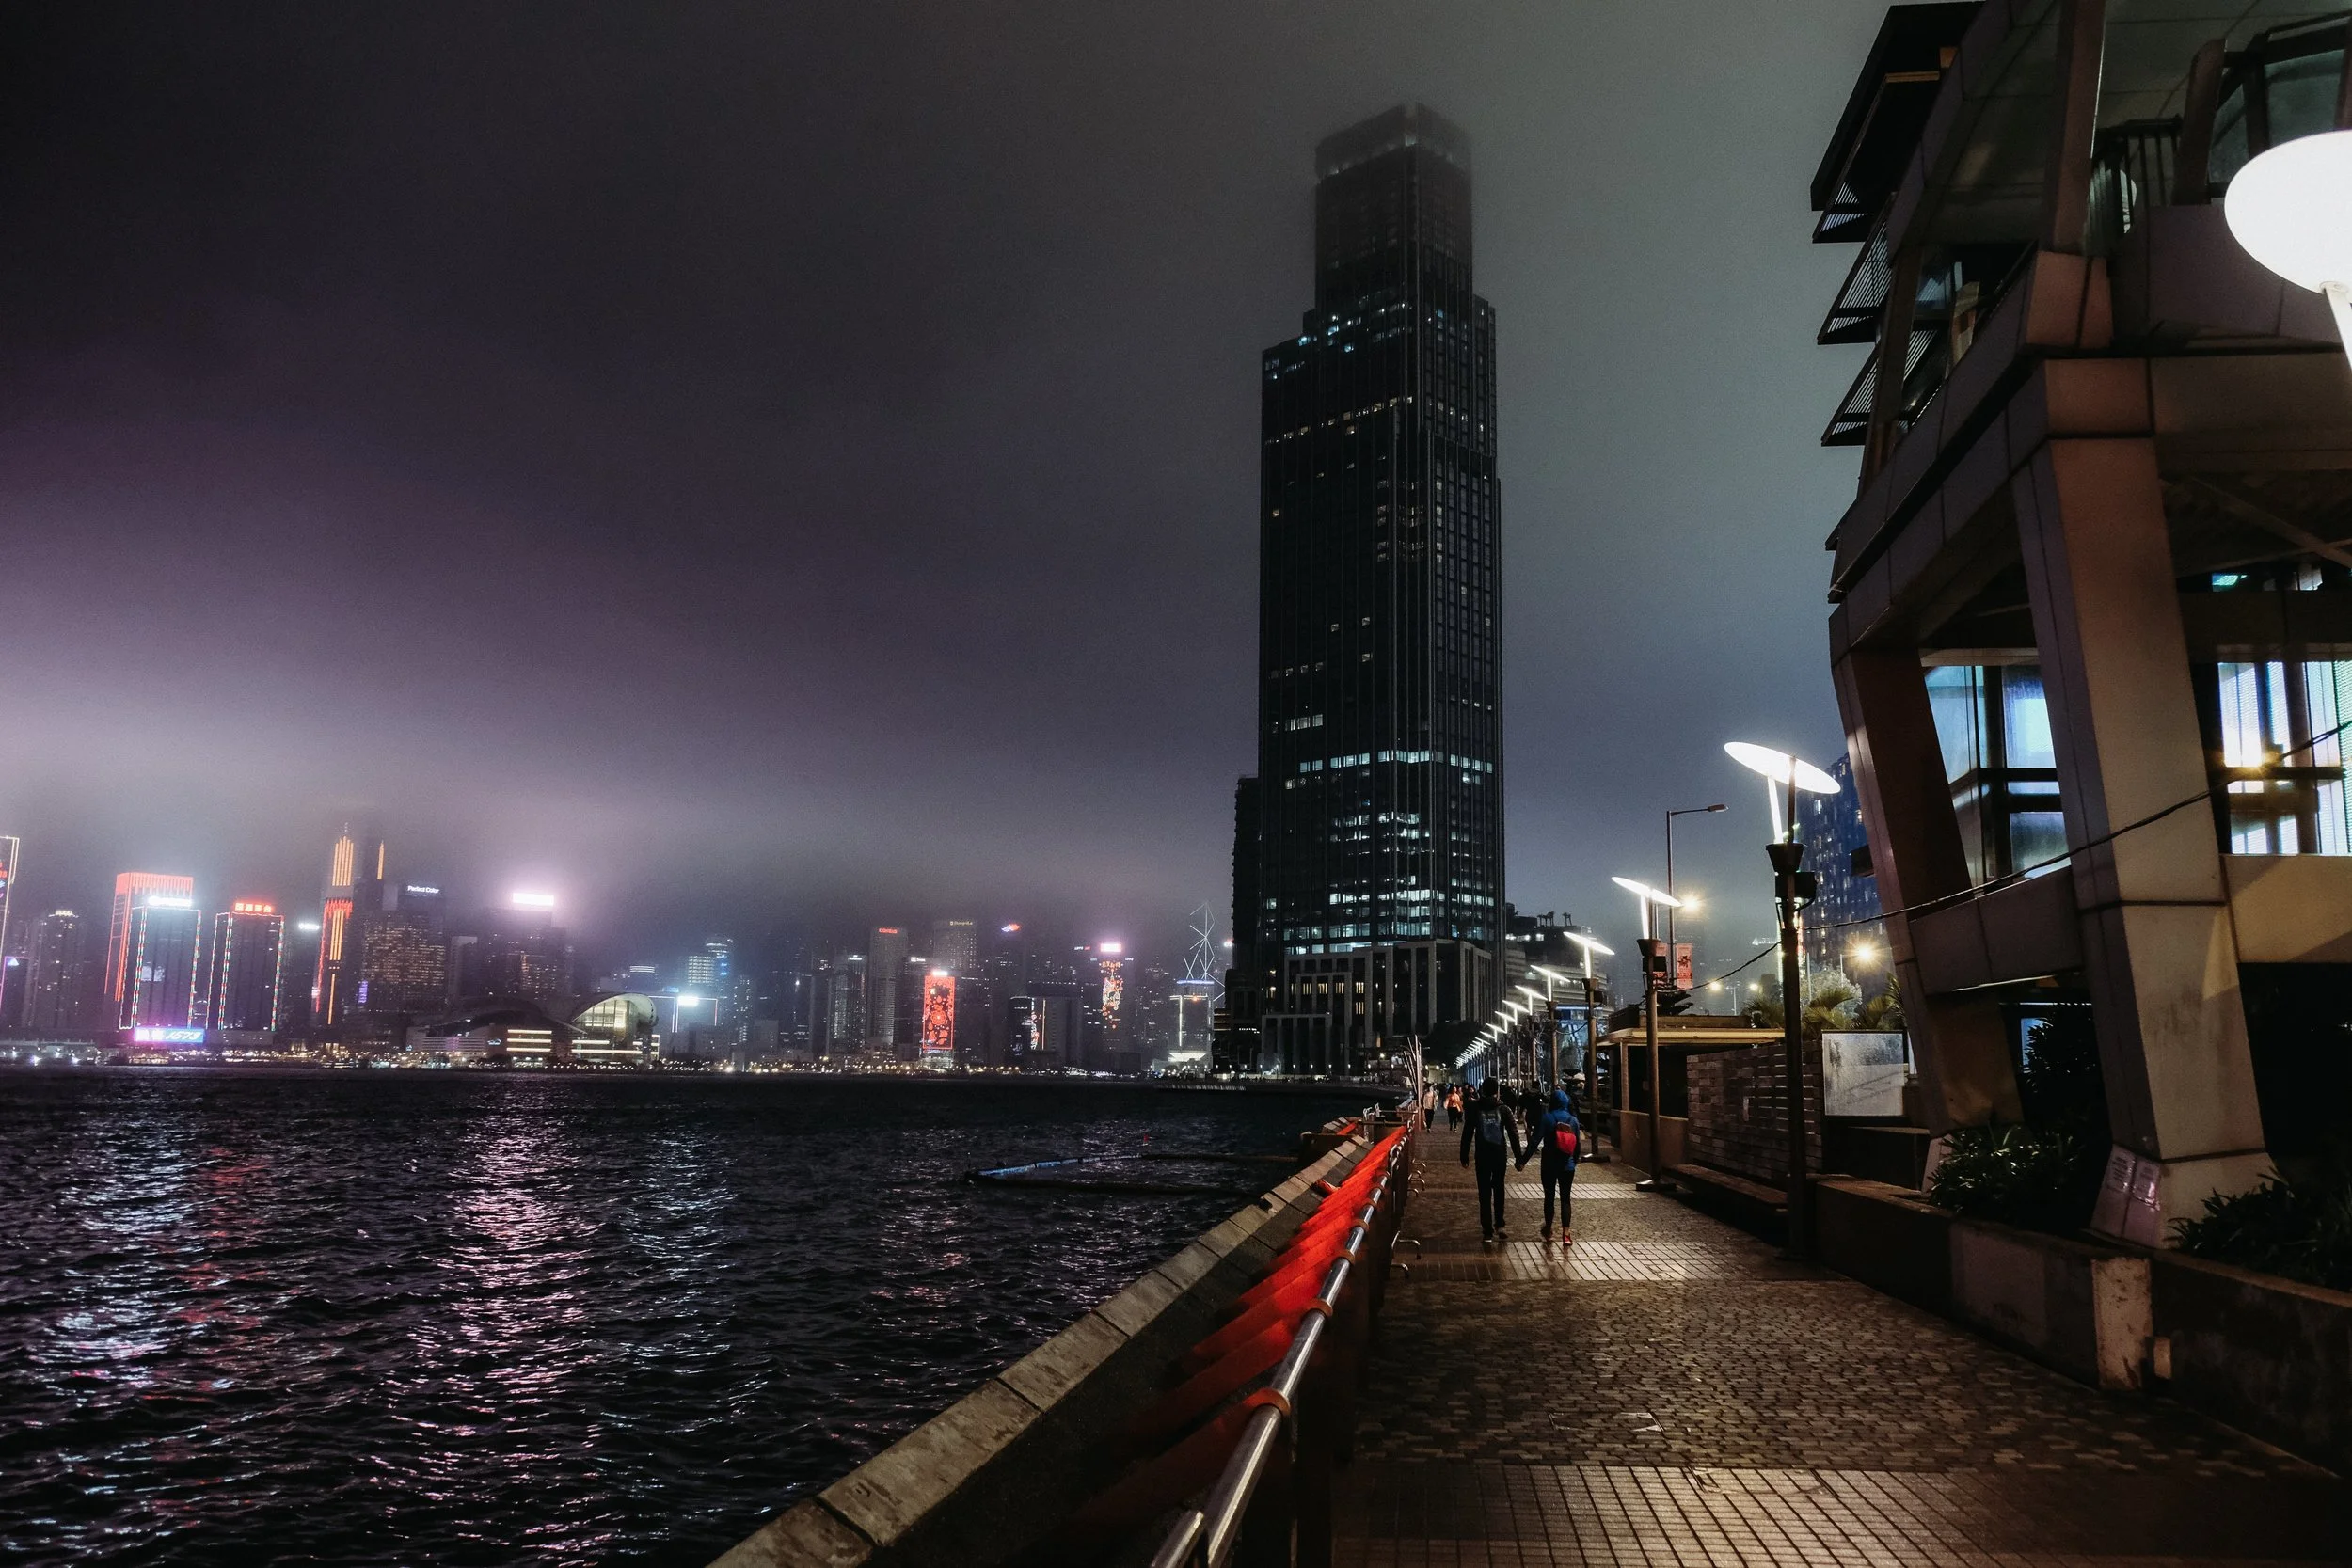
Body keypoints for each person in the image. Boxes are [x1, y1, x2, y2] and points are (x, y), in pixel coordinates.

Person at [1518, 1087, 1584, 1244]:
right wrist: (1574, 1161)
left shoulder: (1547, 1118)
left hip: (1549, 1164)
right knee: (1565, 1199)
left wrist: (1522, 1161)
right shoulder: (1573, 1120)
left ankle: (1548, 1230)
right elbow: (1577, 1146)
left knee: (1549, 1197)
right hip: (1567, 1166)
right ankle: (1567, 1234)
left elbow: (1534, 1142)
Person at [1459, 1080, 1523, 1242]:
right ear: (1497, 1092)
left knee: (1484, 1192)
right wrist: (1519, 1158)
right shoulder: (1504, 1109)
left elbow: (1467, 1132)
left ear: (1483, 1090)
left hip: (1482, 1155)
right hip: (1499, 1155)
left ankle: (1487, 1231)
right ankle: (1500, 1225)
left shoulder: (1475, 1108)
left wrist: (1464, 1155)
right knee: (1499, 1189)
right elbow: (1514, 1135)